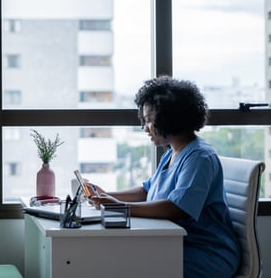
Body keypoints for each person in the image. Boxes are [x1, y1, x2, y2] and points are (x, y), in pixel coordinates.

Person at [88, 75, 240, 278]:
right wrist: (106, 195)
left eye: (150, 121)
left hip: (206, 252)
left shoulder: (200, 157)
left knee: (125, 266)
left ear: (171, 119)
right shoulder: (172, 153)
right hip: (174, 243)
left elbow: (177, 208)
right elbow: (147, 190)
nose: (145, 128)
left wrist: (118, 207)